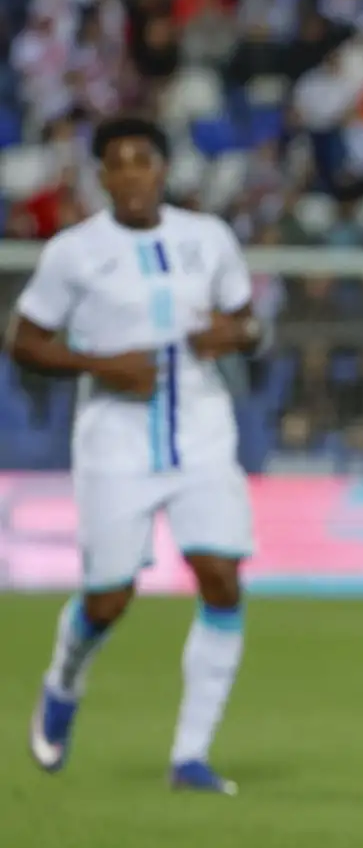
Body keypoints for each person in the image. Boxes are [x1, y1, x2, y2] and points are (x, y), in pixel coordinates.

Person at [9, 116, 272, 794]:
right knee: (109, 598)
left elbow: (250, 325)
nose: (131, 174)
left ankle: (190, 757)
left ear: (162, 168)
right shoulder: (74, 253)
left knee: (220, 575)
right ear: (101, 177)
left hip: (203, 433)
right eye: (117, 163)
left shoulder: (206, 239)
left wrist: (236, 334)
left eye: (142, 160)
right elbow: (25, 341)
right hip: (115, 440)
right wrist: (100, 364)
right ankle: (65, 679)